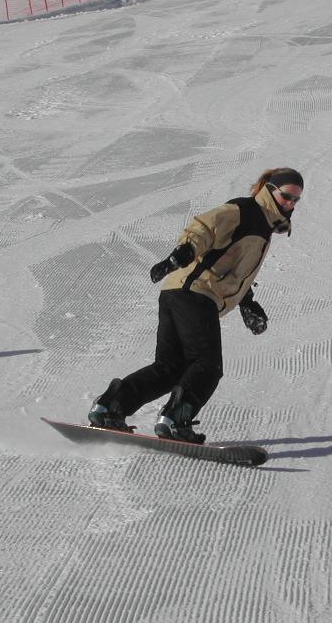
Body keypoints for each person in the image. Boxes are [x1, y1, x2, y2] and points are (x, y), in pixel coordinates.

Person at [88, 167, 304, 443]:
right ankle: (175, 421)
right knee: (207, 366)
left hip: (180, 293)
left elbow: (233, 270)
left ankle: (110, 408)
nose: (290, 204)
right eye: (287, 196)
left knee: (170, 368)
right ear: (270, 190)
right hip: (195, 293)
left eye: (296, 200)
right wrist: (180, 255)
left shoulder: (263, 228)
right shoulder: (246, 211)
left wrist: (247, 304)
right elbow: (205, 227)